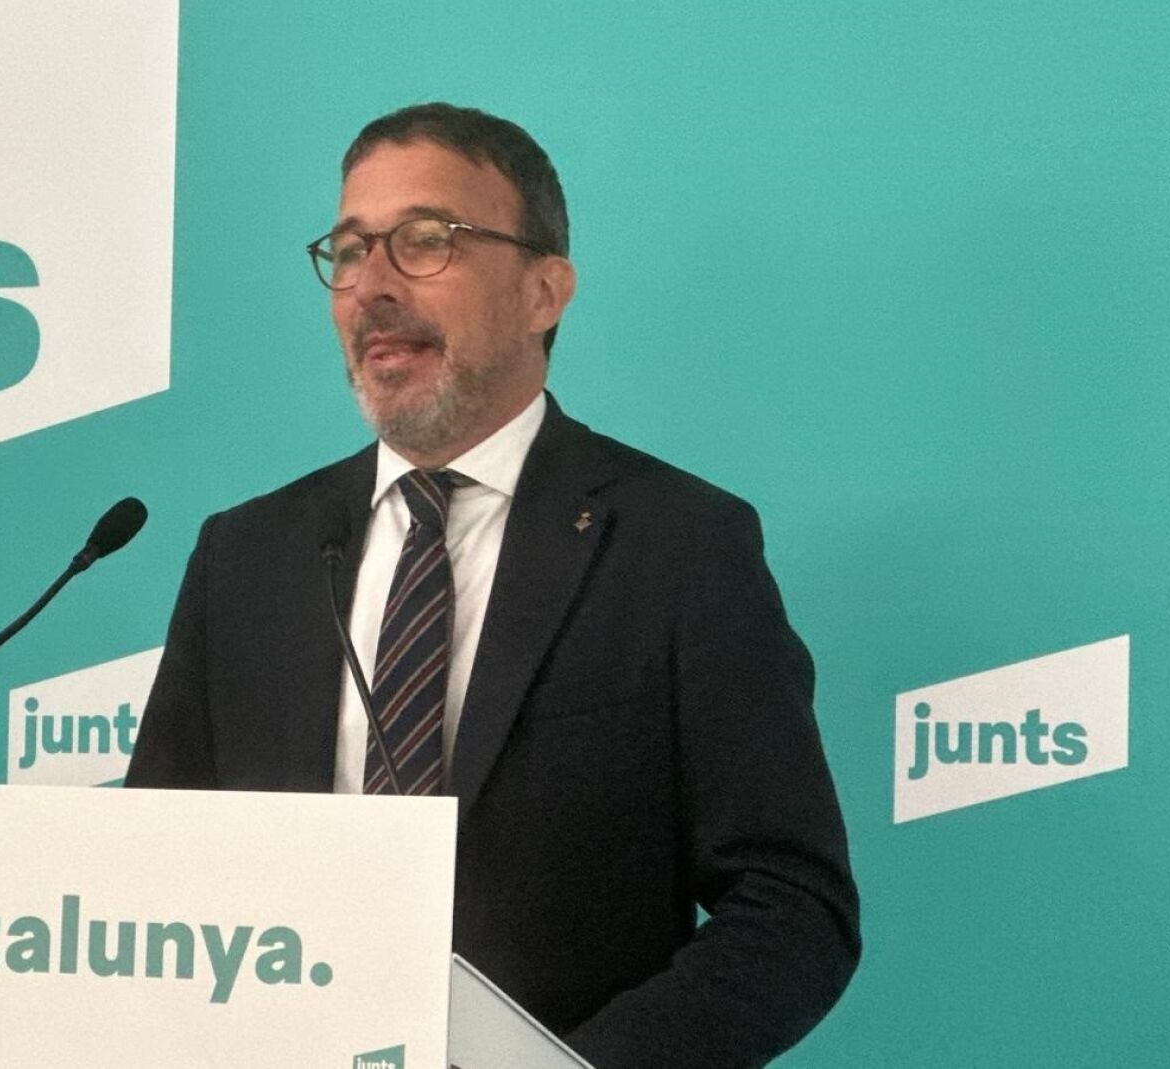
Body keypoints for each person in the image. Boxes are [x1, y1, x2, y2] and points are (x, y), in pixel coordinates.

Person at [124, 102, 858, 1069]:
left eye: (426, 240)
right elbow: (152, 880)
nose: (372, 285)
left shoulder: (679, 545)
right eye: (350, 250)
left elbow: (792, 905)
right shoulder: (248, 556)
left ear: (543, 291)